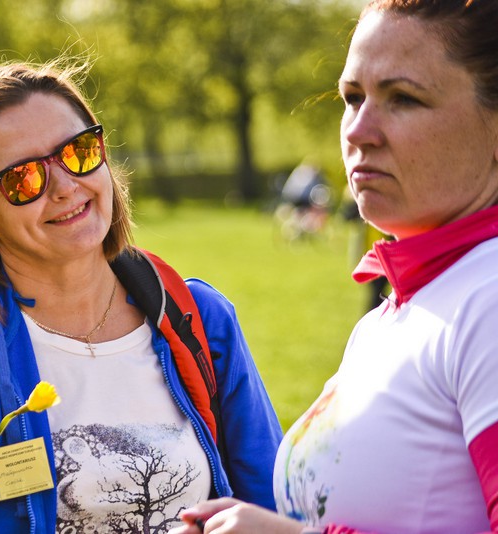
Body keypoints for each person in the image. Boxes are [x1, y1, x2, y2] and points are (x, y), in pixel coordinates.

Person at [0, 59, 283, 533]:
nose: (64, 186)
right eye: (22, 179)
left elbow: (278, 510)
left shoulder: (197, 318)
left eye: (78, 151)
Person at [169, 1, 498, 533]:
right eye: (352, 98)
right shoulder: (391, 316)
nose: (359, 130)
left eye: (405, 99)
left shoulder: (488, 297)